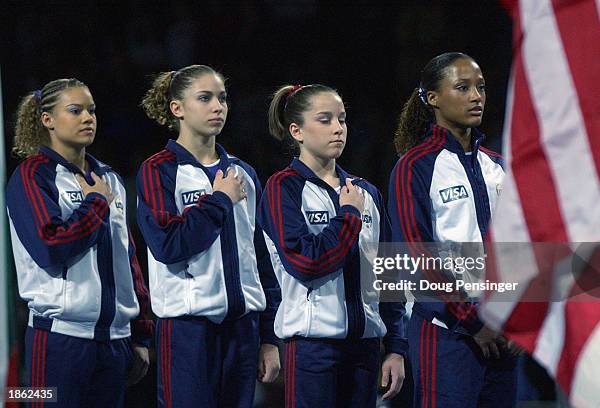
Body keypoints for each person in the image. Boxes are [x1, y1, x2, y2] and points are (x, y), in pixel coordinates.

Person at [138, 64, 281, 408]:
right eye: (204, 98)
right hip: (188, 331)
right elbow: (168, 246)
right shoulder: (159, 170)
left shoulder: (243, 172)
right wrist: (218, 201)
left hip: (243, 331)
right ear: (177, 108)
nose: (218, 106)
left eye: (222, 98)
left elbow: (259, 259)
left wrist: (269, 336)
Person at [6, 78, 153, 407]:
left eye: (92, 110)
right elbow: (50, 247)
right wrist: (95, 206)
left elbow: (127, 259)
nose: (88, 117)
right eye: (75, 110)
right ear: (48, 120)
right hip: (59, 339)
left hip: (115, 342)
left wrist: (140, 333)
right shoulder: (32, 176)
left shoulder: (110, 178)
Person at [259, 84, 407, 408]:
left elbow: (389, 273)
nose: (338, 128)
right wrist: (348, 217)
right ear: (296, 131)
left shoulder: (366, 192)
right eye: (324, 119)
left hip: (367, 350)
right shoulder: (282, 188)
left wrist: (396, 346)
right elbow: (306, 262)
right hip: (313, 350)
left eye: (342, 119)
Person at [388, 52, 518, 407]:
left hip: (503, 333)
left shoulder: (499, 166)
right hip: (446, 334)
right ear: (432, 98)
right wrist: (474, 322)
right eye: (462, 87)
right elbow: (417, 254)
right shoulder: (413, 167)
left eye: (480, 87)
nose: (476, 96)